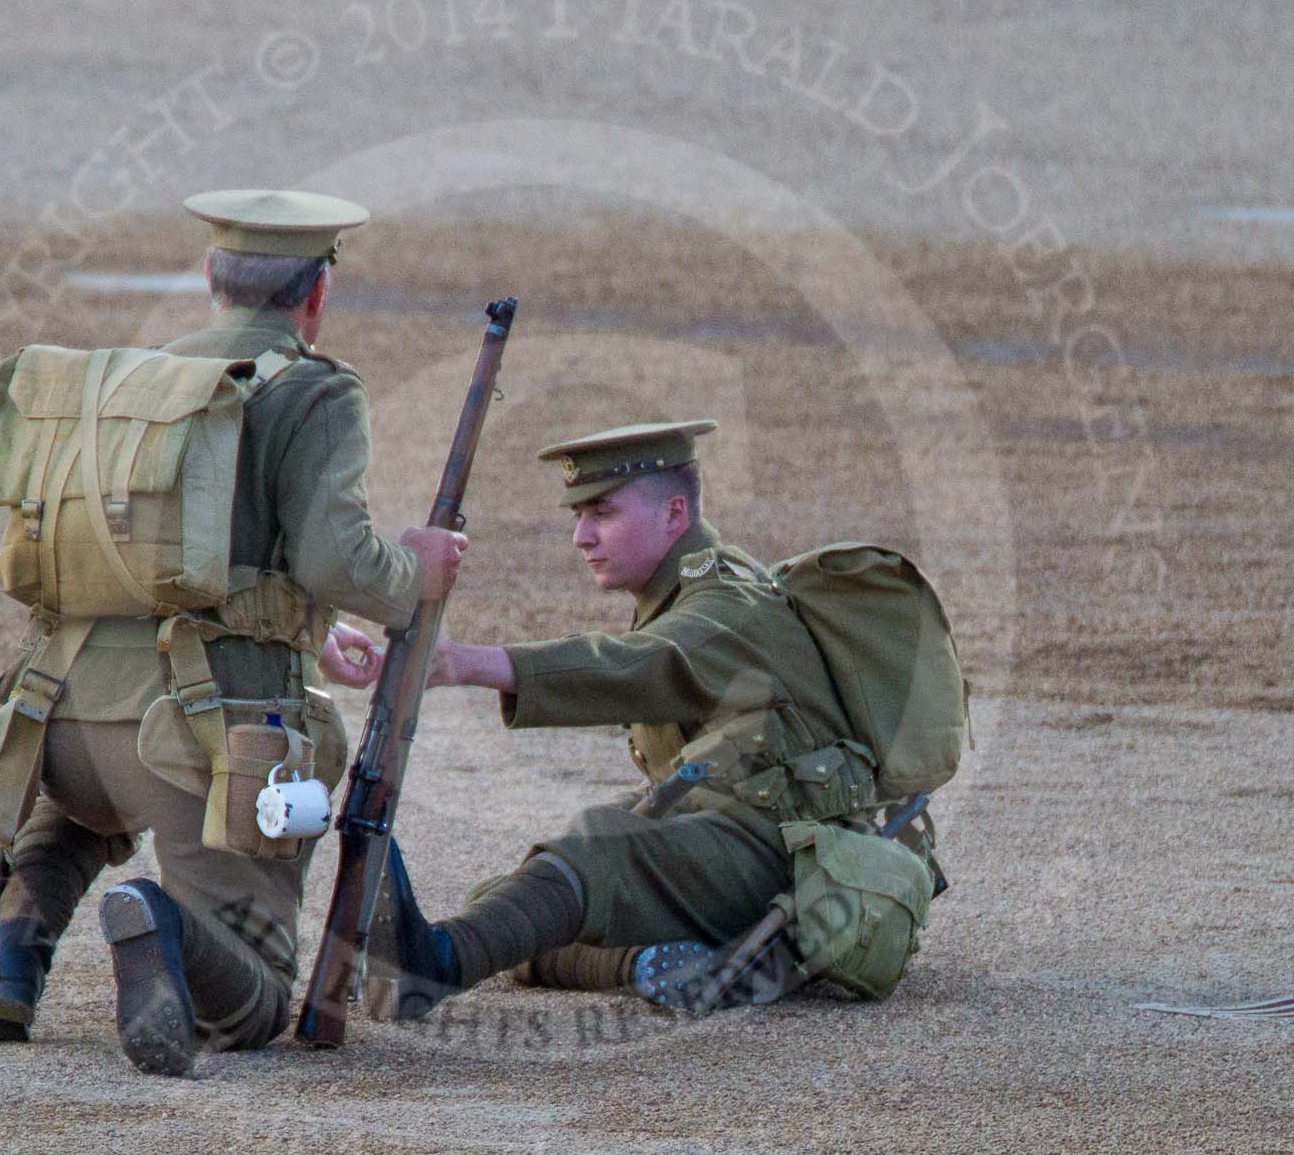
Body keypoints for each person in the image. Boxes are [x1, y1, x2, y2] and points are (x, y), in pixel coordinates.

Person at [0, 188, 469, 1073]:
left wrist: (310, 633)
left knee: (76, 821)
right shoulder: (315, 388)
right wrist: (416, 572)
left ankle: (10, 960)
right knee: (259, 997)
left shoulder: (139, 384)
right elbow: (335, 559)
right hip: (199, 740)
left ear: (210, 280)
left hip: (57, 723)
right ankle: (162, 925)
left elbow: (185, 559)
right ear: (316, 295)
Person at [320, 420, 939, 1016]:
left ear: (674, 515)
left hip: (790, 851)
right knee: (513, 903)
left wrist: (465, 663)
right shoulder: (680, 591)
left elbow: (641, 665)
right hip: (728, 821)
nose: (581, 537)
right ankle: (648, 964)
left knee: (594, 853)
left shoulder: (727, 603)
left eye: (603, 514)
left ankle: (435, 968)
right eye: (579, 516)